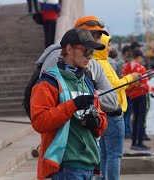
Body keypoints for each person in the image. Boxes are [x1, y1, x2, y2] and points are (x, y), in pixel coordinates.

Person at [30, 27, 108, 180]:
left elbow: (102, 121)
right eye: (86, 51)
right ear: (69, 49)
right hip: (66, 168)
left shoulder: (87, 81)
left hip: (92, 166)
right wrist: (73, 105)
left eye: (92, 52)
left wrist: (97, 121)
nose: (90, 56)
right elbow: (39, 122)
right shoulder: (47, 84)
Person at [36, 15, 118, 114]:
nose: (93, 40)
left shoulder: (96, 66)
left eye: (98, 37)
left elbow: (112, 101)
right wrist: (79, 100)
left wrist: (88, 96)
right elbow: (45, 106)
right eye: (88, 35)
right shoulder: (55, 58)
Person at [93, 34, 141, 180]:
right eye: (108, 45)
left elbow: (113, 86)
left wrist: (128, 82)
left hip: (107, 112)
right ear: (100, 46)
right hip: (112, 114)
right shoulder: (101, 63)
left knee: (105, 153)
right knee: (114, 154)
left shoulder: (101, 62)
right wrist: (130, 78)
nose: (110, 48)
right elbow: (113, 86)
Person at [122, 49, 154, 151]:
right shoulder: (141, 68)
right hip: (142, 96)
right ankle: (140, 142)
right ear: (140, 57)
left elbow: (125, 81)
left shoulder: (126, 66)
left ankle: (134, 142)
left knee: (135, 119)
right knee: (141, 119)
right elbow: (144, 86)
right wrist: (153, 89)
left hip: (131, 96)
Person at [121, 45, 133, 139]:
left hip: (127, 91)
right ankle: (127, 132)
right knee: (127, 114)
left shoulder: (124, 64)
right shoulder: (123, 64)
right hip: (126, 91)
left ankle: (127, 131)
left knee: (127, 114)